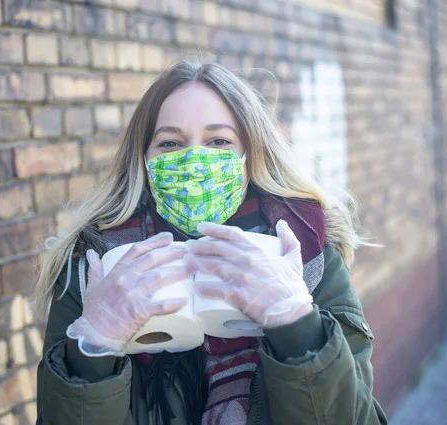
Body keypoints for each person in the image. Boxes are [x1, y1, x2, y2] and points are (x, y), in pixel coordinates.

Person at [33, 59, 388, 425]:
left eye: (219, 141)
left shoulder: (305, 251)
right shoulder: (94, 267)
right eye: (170, 143)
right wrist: (95, 344)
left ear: (251, 156)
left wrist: (295, 322)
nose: (195, 159)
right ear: (143, 161)